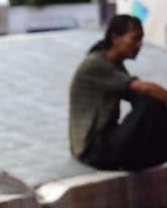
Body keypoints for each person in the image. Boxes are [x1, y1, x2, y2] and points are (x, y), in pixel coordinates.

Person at [70, 15, 167, 171]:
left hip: (106, 142)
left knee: (153, 102)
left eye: (141, 40)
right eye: (135, 39)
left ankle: (143, 157)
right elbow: (146, 89)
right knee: (151, 100)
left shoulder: (115, 66)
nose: (139, 45)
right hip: (93, 150)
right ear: (115, 38)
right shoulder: (96, 64)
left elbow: (140, 97)